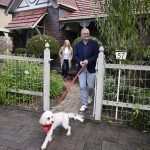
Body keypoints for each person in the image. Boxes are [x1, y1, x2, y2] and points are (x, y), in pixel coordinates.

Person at [74, 28, 99, 112]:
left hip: (91, 68)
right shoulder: (78, 45)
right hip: (81, 69)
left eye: (88, 33)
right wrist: (80, 61)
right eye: (85, 33)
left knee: (91, 86)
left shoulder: (94, 43)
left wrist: (89, 60)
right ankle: (84, 104)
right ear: (81, 35)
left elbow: (96, 55)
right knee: (82, 86)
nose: (87, 35)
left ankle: (90, 96)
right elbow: (75, 56)